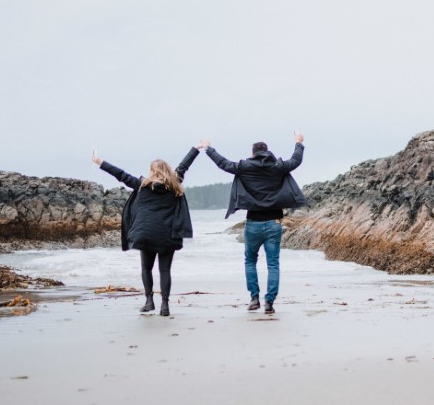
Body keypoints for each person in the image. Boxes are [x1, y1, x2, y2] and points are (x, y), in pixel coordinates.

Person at [196, 133, 306, 315]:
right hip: (274, 223)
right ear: (267, 151)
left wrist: (208, 148)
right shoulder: (278, 167)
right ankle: (269, 302)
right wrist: (298, 143)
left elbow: (223, 163)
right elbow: (296, 160)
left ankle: (254, 298)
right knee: (273, 264)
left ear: (253, 153)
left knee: (250, 261)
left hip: (253, 223)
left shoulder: (245, 167)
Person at [92, 146, 200, 317]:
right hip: (168, 235)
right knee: (165, 270)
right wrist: (196, 148)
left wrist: (100, 162)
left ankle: (149, 301)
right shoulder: (174, 185)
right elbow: (184, 166)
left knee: (146, 268)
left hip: (146, 233)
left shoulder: (141, 185)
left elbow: (120, 174)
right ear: (167, 171)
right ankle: (165, 305)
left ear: (152, 171)